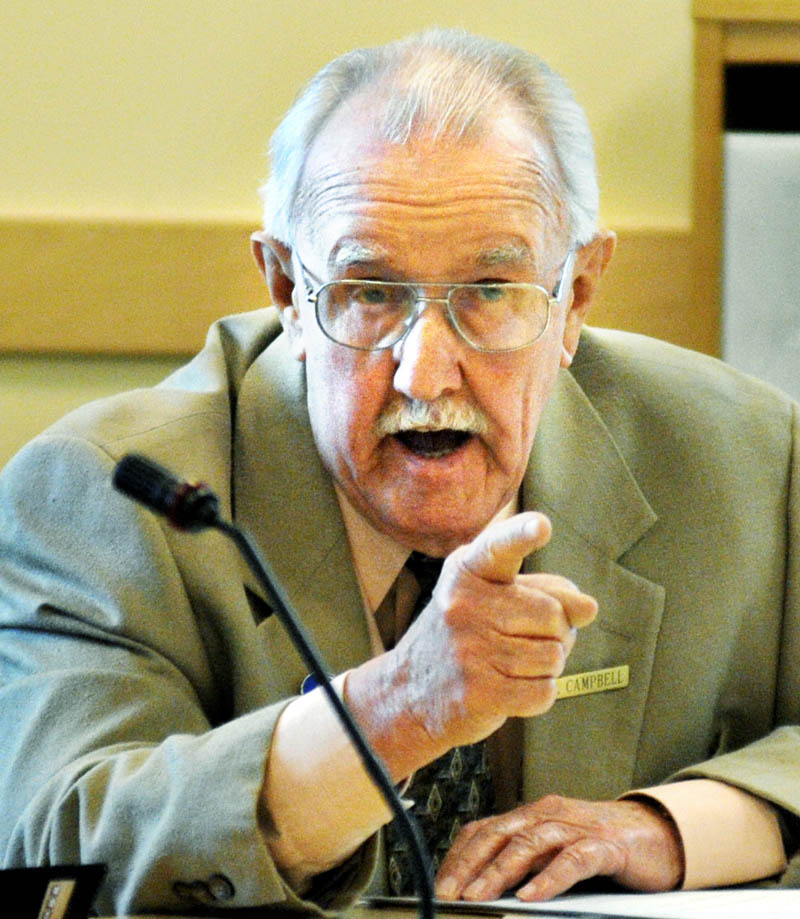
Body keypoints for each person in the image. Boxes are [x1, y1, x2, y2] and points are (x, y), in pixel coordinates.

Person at [0, 28, 798, 917]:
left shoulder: (747, 456)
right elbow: (58, 848)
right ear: (285, 290)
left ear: (575, 296)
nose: (426, 372)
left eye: (491, 292)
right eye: (372, 292)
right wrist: (398, 707)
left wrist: (670, 827)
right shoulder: (109, 496)